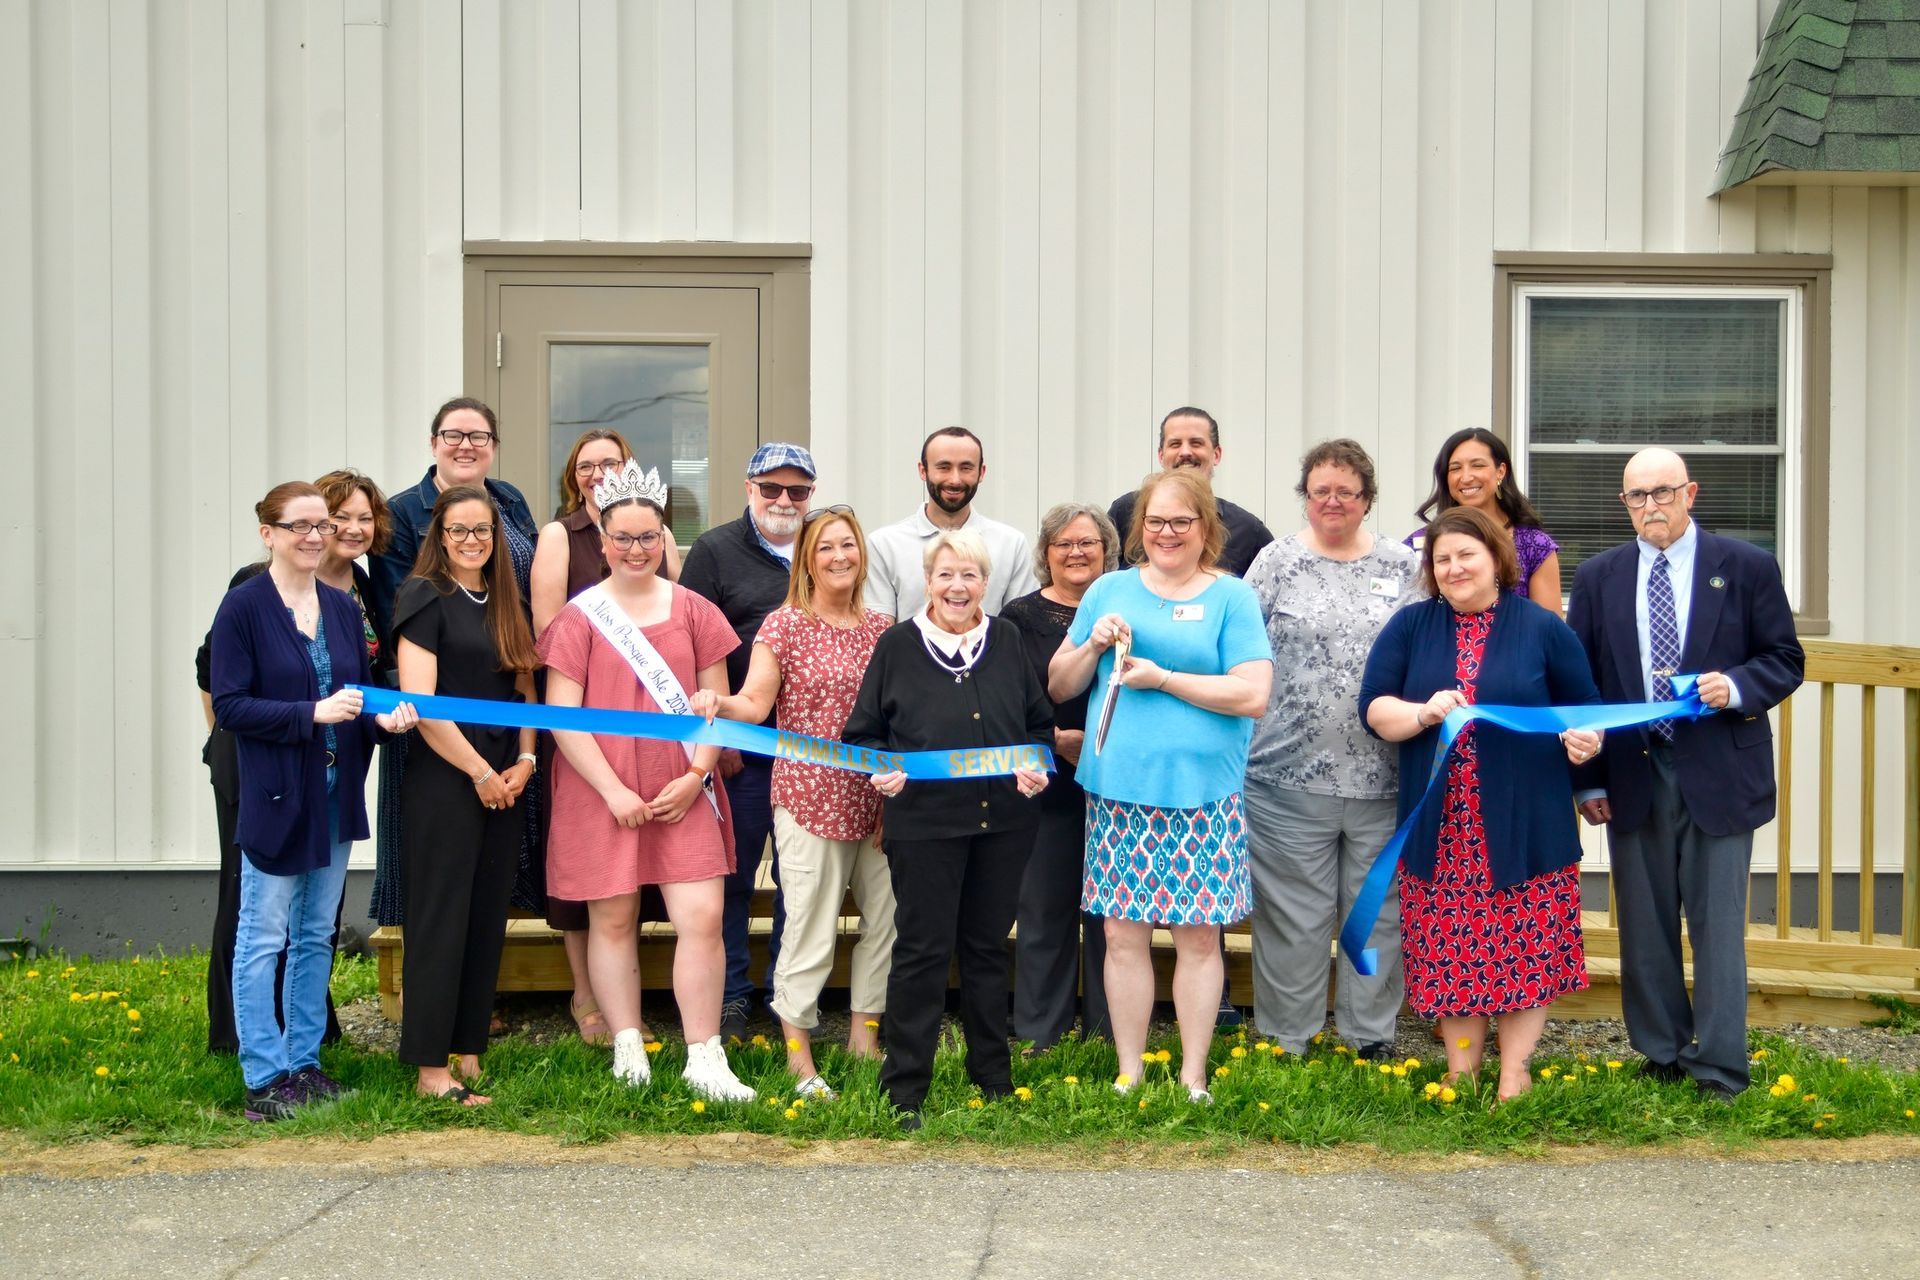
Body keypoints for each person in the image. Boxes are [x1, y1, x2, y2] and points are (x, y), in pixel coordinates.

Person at [1567, 448, 1804, 1102]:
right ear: (1624, 504)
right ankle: (1663, 1053)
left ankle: (1722, 1068)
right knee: (1644, 927)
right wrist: (1586, 782)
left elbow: (1785, 658)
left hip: (1721, 772)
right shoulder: (1598, 577)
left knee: (1717, 929)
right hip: (1632, 774)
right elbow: (1583, 682)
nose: (1651, 507)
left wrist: (1736, 685)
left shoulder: (1747, 567)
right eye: (1637, 497)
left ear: (1690, 493)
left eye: (1663, 492)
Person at [1359, 506, 1602, 1100]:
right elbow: (1373, 711)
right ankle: (1461, 1068)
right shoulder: (1411, 627)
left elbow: (1586, 711)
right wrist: (1420, 713)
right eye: (1441, 559)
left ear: (1496, 558)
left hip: (1527, 822)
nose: (1453, 567)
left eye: (1466, 554)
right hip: (1443, 827)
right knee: (1451, 954)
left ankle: (1515, 1070)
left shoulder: (1543, 627)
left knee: (1524, 949)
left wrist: (1585, 740)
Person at [1049, 470, 1273, 1102]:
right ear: (1137, 529)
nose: (1167, 533)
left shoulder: (1232, 599)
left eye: (1181, 521)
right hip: (1120, 790)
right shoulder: (1108, 590)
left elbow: (1252, 694)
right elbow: (1059, 686)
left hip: (1203, 794)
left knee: (1199, 937)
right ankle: (1131, 1069)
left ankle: (1192, 1074)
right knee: (1122, 937)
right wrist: (1091, 644)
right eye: (1155, 522)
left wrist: (1166, 678)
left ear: (1206, 528)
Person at [542, 460, 757, 1101]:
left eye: (649, 536)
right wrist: (612, 791)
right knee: (613, 918)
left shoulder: (695, 610)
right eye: (623, 538)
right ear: (602, 542)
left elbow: (717, 705)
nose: (637, 549)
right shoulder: (580, 618)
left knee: (703, 916)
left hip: (684, 786)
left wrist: (697, 775)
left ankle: (704, 1056)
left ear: (665, 538)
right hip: (601, 788)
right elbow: (562, 714)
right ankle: (628, 1047)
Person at [209, 482, 416, 1120]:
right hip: (275, 795)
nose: (313, 536)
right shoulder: (244, 607)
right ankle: (263, 1078)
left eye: (320, 526)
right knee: (262, 936)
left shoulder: (338, 605)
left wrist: (383, 719)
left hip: (334, 797)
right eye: (297, 525)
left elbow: (357, 692)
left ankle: (304, 1064)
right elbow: (233, 704)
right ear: (267, 533)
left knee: (313, 938)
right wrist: (312, 713)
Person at [844, 530, 1054, 1127]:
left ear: (985, 583)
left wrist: (1035, 766)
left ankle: (992, 1077)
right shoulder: (897, 646)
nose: (957, 588)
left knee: (987, 950)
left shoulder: (1009, 640)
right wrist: (879, 768)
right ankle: (905, 1087)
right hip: (925, 827)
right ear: (927, 582)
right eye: (945, 576)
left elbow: (1038, 727)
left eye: (969, 576)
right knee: (921, 952)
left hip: (1004, 825)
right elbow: (863, 735)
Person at [691, 505, 896, 1097]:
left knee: (884, 923)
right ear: (807, 558)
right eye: (826, 547)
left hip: (879, 798)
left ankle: (864, 1037)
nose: (839, 556)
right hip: (809, 797)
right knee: (809, 924)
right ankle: (798, 1052)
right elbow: (755, 703)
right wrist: (718, 704)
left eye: (848, 546)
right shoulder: (783, 625)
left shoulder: (884, 628)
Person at [1241, 440, 1418, 1059]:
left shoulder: (1403, 567)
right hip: (1284, 776)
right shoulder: (1274, 561)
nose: (1333, 501)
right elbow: (1241, 654)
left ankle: (1369, 1037)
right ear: (1306, 496)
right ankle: (1288, 1039)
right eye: (1321, 490)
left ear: (1367, 499)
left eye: (1347, 491)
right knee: (1293, 919)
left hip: (1386, 778)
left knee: (1376, 916)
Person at [369, 398, 542, 938]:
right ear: (433, 442)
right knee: (437, 857)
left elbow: (525, 584)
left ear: (493, 446)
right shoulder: (403, 512)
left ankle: (486, 984)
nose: (466, 445)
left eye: (479, 436)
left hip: (502, 687)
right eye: (453, 434)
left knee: (497, 852)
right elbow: (401, 603)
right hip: (437, 700)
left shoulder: (509, 501)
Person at [530, 428, 679, 1047]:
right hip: (586, 719)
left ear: (629, 467)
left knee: (643, 866)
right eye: (587, 465)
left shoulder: (659, 536)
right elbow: (547, 627)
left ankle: (634, 996)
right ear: (574, 474)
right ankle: (586, 995)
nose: (598, 472)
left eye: (610, 462)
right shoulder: (560, 535)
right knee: (590, 864)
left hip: (654, 721)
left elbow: (677, 615)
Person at [392, 485, 540, 1106]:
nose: (473, 541)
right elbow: (423, 704)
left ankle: (470, 1053)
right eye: (460, 531)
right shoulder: (425, 596)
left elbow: (526, 692)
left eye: (483, 530)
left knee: (485, 916)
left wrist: (526, 761)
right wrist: (479, 771)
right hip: (447, 776)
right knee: (441, 918)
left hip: (507, 774)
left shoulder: (507, 600)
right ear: (440, 536)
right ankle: (431, 1069)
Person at [678, 442, 819, 1041]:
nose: (784, 501)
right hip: (742, 744)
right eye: (772, 489)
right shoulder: (713, 551)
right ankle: (733, 994)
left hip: (817, 751)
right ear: (749, 488)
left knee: (802, 878)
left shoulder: (826, 546)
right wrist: (719, 740)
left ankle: (788, 994)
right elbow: (686, 645)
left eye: (797, 491)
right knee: (733, 874)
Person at [1000, 502, 1120, 1049]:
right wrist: (1053, 743)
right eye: (1064, 544)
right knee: (1044, 910)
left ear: (1107, 550)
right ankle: (1039, 1033)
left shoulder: (1127, 605)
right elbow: (1004, 707)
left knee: (1112, 916)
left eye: (1088, 543)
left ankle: (1107, 1030)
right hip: (1045, 785)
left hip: (1117, 783)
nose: (1077, 552)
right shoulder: (1018, 619)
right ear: (1046, 554)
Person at [865, 427, 1039, 621]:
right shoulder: (884, 545)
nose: (955, 479)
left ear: (981, 472)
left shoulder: (1011, 544)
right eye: (944, 467)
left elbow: (1019, 629)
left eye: (966, 468)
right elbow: (880, 632)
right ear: (923, 471)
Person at [1106, 407, 1274, 578]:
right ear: (1161, 455)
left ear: (1216, 454)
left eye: (1196, 443)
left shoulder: (1249, 531)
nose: (1185, 452)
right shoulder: (1125, 511)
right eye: (1175, 444)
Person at [1410, 428, 1562, 615]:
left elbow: (1550, 631)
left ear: (1500, 471)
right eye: (1455, 468)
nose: (1466, 477)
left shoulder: (1536, 546)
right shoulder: (1419, 544)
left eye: (1477, 465)